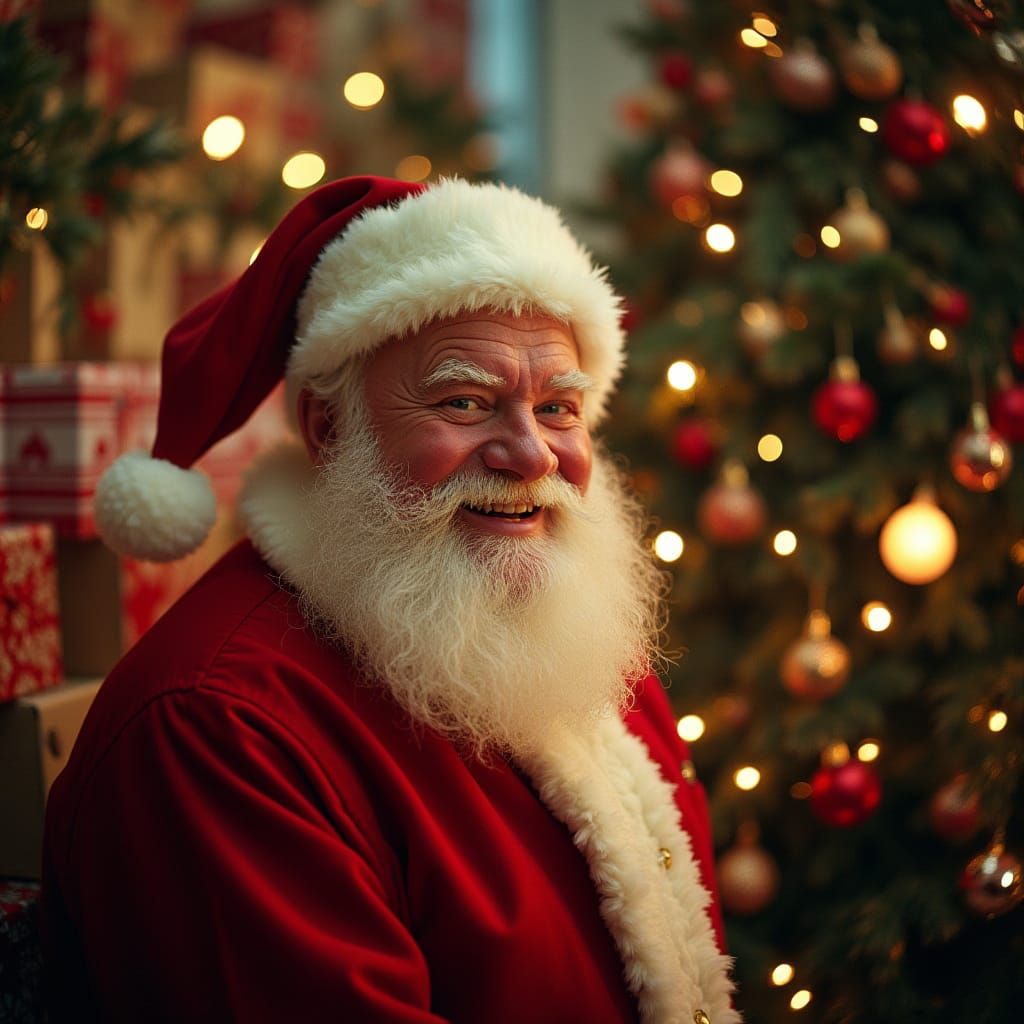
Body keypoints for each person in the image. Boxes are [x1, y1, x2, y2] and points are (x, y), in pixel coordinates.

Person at [41, 176, 739, 1023]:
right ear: (329, 429)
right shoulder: (216, 728)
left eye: (559, 408)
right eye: (465, 402)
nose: (532, 455)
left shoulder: (581, 645)